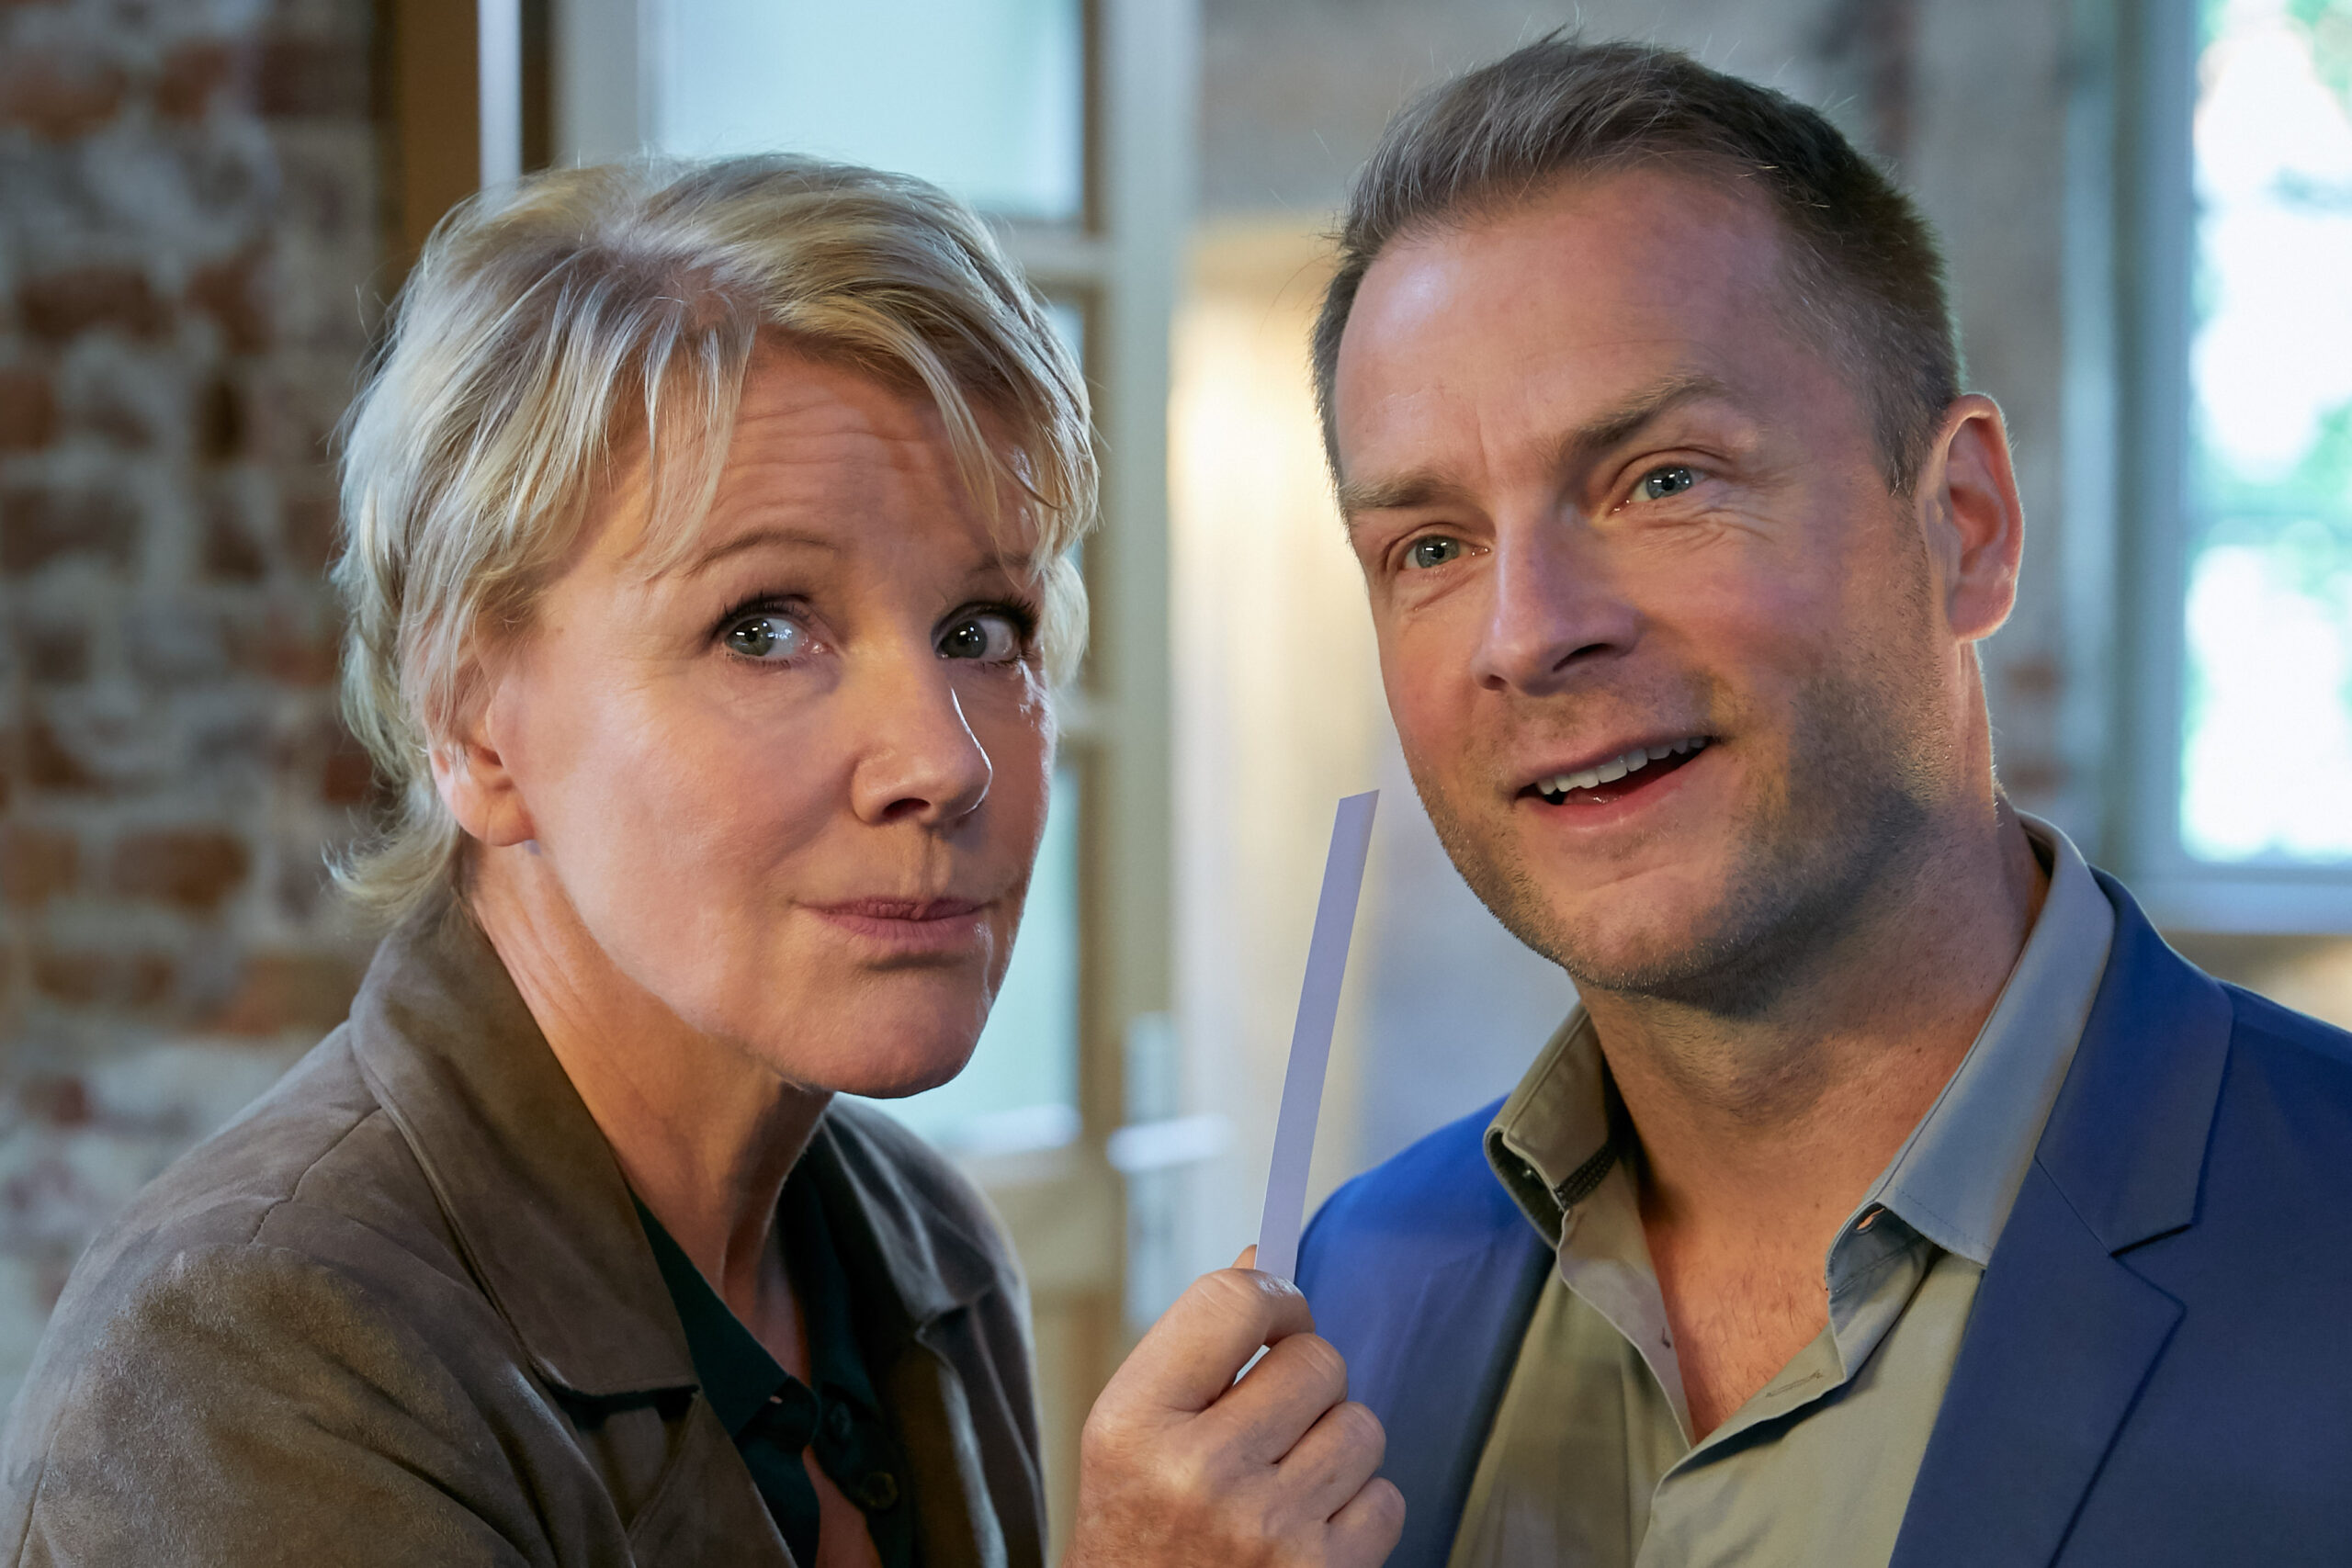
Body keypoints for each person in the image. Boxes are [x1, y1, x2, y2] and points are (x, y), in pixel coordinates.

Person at [0, 157, 1400, 1568]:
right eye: (763, 628)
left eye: (982, 630)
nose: (944, 759)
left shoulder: (921, 1244)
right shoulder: (252, 1360)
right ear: (474, 724)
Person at [1295, 35, 2352, 1568]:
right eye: (1432, 548)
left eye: (1664, 481)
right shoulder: (1361, 1282)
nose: (1526, 636)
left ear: (1966, 525)